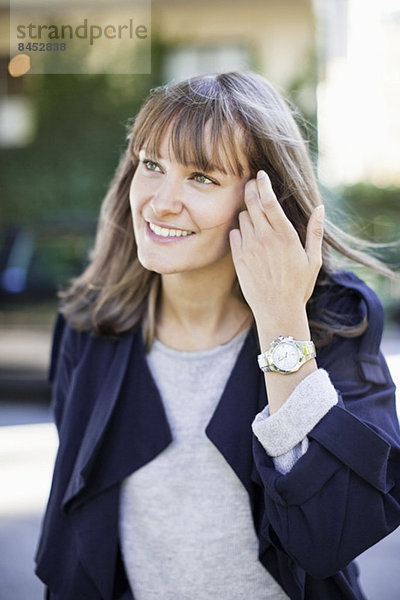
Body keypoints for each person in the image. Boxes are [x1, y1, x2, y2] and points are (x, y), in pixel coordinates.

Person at [35, 71, 400, 600]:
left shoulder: (336, 318)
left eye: (201, 177)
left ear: (262, 200)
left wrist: (281, 323)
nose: (160, 202)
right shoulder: (90, 326)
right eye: (152, 165)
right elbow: (79, 533)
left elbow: (331, 536)